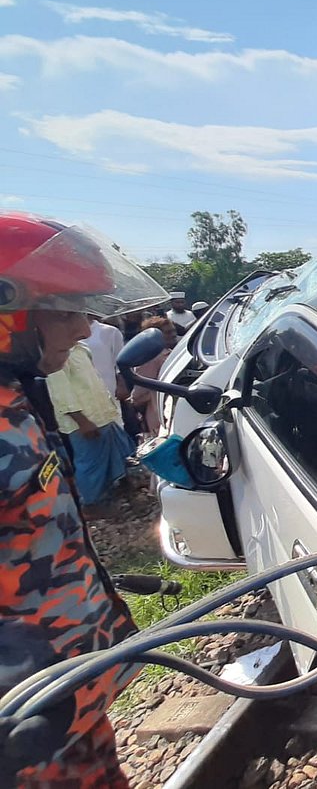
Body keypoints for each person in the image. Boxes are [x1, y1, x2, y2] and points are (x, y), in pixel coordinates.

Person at [0, 211, 167, 787]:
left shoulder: (18, 399)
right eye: (68, 312)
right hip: (21, 718)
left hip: (66, 692)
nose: (81, 329)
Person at [46, 342, 135, 508]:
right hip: (83, 420)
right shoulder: (54, 355)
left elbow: (94, 380)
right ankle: (90, 505)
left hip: (101, 413)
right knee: (90, 466)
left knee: (114, 456)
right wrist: (82, 421)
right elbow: (61, 393)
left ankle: (111, 495)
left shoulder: (81, 348)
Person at [130, 316, 178, 436]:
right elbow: (138, 397)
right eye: (168, 332)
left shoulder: (171, 354)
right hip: (159, 417)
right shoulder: (150, 358)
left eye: (173, 331)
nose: (173, 335)